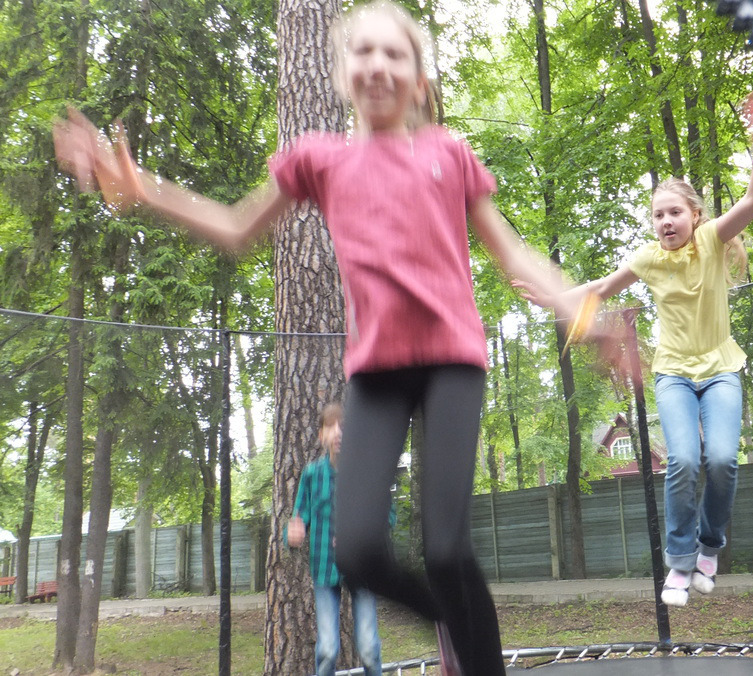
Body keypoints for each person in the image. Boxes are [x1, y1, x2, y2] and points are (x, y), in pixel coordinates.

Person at [52, 2, 600, 673]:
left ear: (418, 80)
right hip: (376, 372)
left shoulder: (448, 154)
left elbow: (513, 255)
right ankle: (452, 618)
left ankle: (476, 652)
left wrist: (583, 308)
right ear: (341, 74)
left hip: (453, 361)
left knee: (446, 549)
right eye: (363, 52)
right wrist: (146, 191)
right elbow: (236, 227)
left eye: (394, 54)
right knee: (358, 551)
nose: (377, 65)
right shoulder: (319, 160)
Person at [517, 92, 753, 608]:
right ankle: (679, 563)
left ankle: (709, 548)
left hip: (721, 370)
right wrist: (552, 297)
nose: (666, 222)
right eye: (658, 216)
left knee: (723, 459)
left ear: (694, 215)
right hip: (674, 374)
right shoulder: (649, 259)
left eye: (675, 213)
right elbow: (599, 289)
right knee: (682, 460)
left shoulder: (712, 239)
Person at [288, 403, 383, 676]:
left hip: (361, 568)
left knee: (368, 648)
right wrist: (292, 533)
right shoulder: (311, 475)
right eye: (331, 426)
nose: (339, 432)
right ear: (321, 436)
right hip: (324, 568)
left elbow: (386, 515)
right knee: (327, 650)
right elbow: (299, 518)